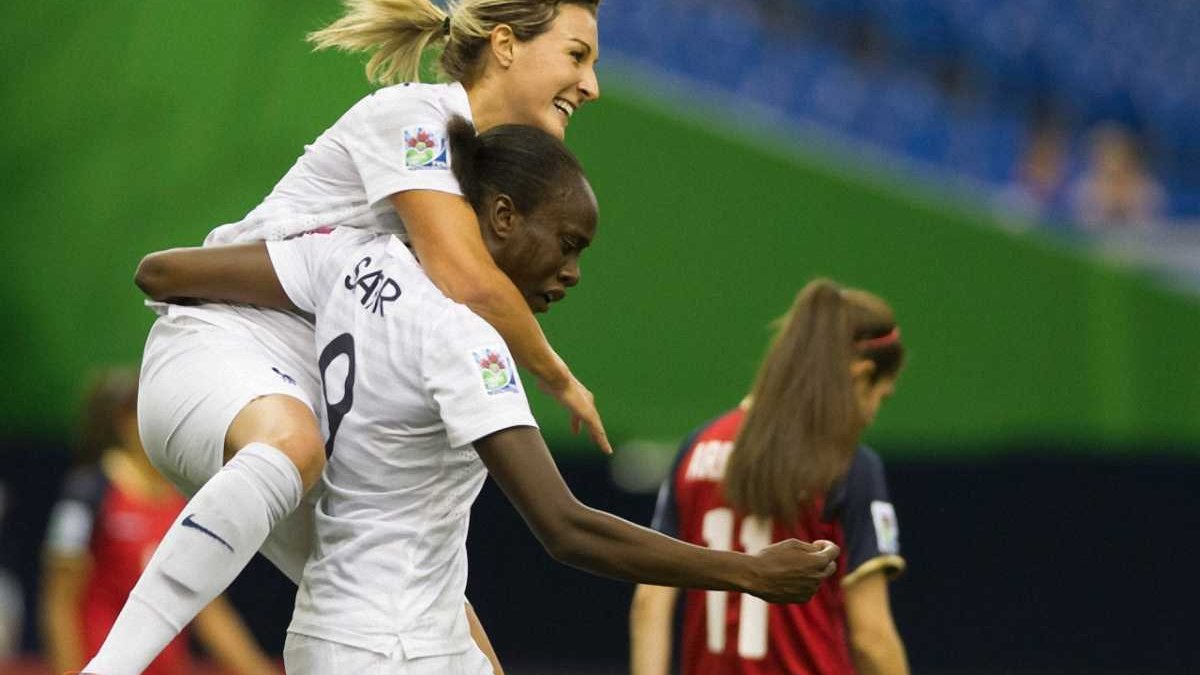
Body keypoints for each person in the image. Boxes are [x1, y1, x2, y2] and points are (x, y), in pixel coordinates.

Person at [132, 119, 843, 674]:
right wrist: (749, 571)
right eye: (567, 242)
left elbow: (163, 274)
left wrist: (252, 364)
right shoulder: (465, 341)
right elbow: (566, 526)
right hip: (389, 647)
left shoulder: (352, 257)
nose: (573, 271)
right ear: (501, 216)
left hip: (384, 630)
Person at [82, 1, 607, 672]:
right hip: (221, 352)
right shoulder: (414, 118)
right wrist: (558, 376)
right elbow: (466, 277)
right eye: (576, 55)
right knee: (293, 443)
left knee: (427, 611)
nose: (592, 84)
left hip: (309, 415)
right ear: (504, 44)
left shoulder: (482, 176)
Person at [630, 279, 911, 675]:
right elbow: (872, 639)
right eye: (881, 396)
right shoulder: (849, 464)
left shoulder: (698, 447)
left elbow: (650, 602)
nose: (872, 415)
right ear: (861, 375)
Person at [40, 368, 276, 675]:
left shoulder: (189, 501)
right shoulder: (87, 494)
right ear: (128, 421)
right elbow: (59, 601)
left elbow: (210, 611)